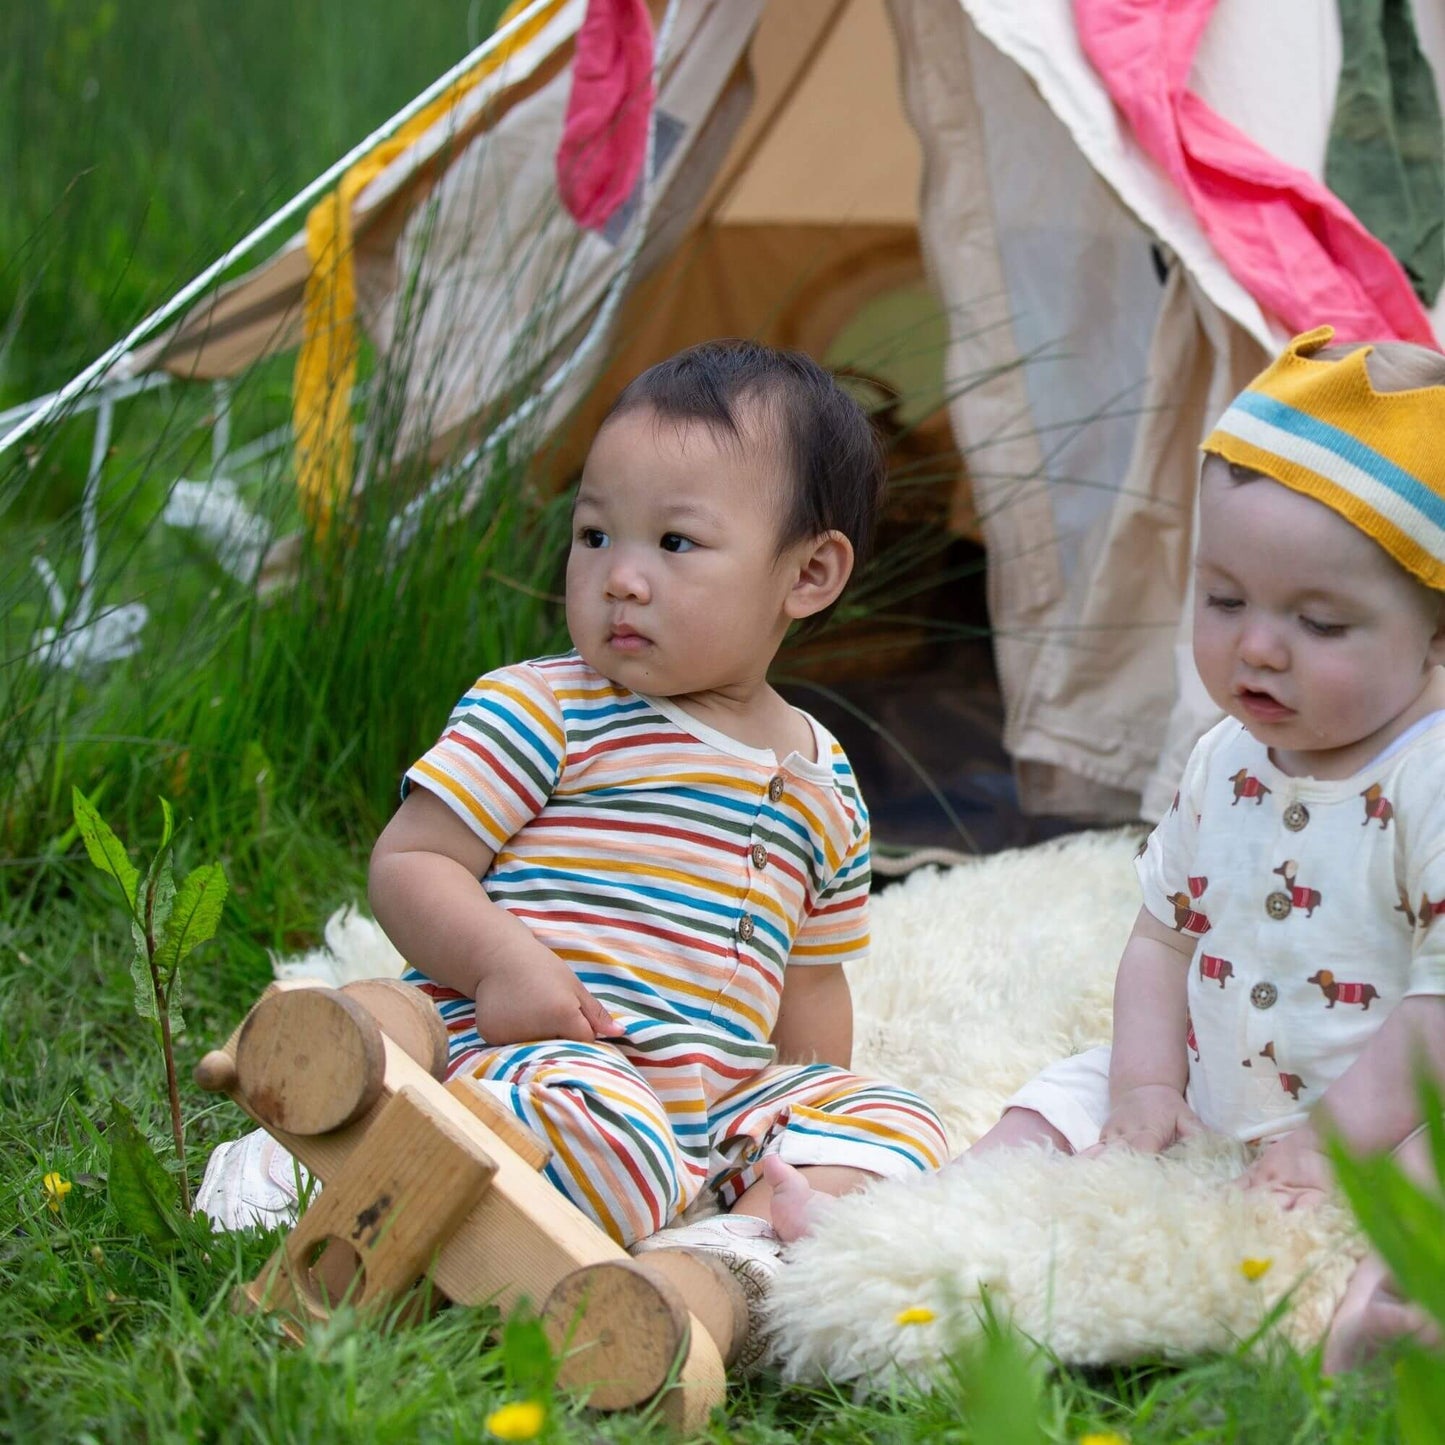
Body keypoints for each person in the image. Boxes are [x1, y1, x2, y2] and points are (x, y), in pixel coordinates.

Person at [363, 340, 947, 1364]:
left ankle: (723, 1236)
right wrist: (500, 961)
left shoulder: (822, 774)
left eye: (674, 543)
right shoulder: (544, 706)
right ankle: (467, 1209)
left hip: (710, 1100)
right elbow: (412, 861)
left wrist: (806, 1105)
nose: (619, 578)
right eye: (594, 535)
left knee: (897, 1122)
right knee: (582, 1116)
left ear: (806, 573)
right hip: (540, 1049)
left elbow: (810, 979)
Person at [961, 325, 1445, 1370]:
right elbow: (1162, 936)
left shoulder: (1429, 777)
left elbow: (1436, 1011)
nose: (1254, 645)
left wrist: (1328, 1146)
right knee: (1057, 1090)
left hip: (1394, 1095)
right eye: (1222, 599)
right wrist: (1143, 1081)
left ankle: (1387, 1317)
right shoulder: (1226, 753)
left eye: (1318, 622)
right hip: (1219, 1076)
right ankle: (951, 1227)